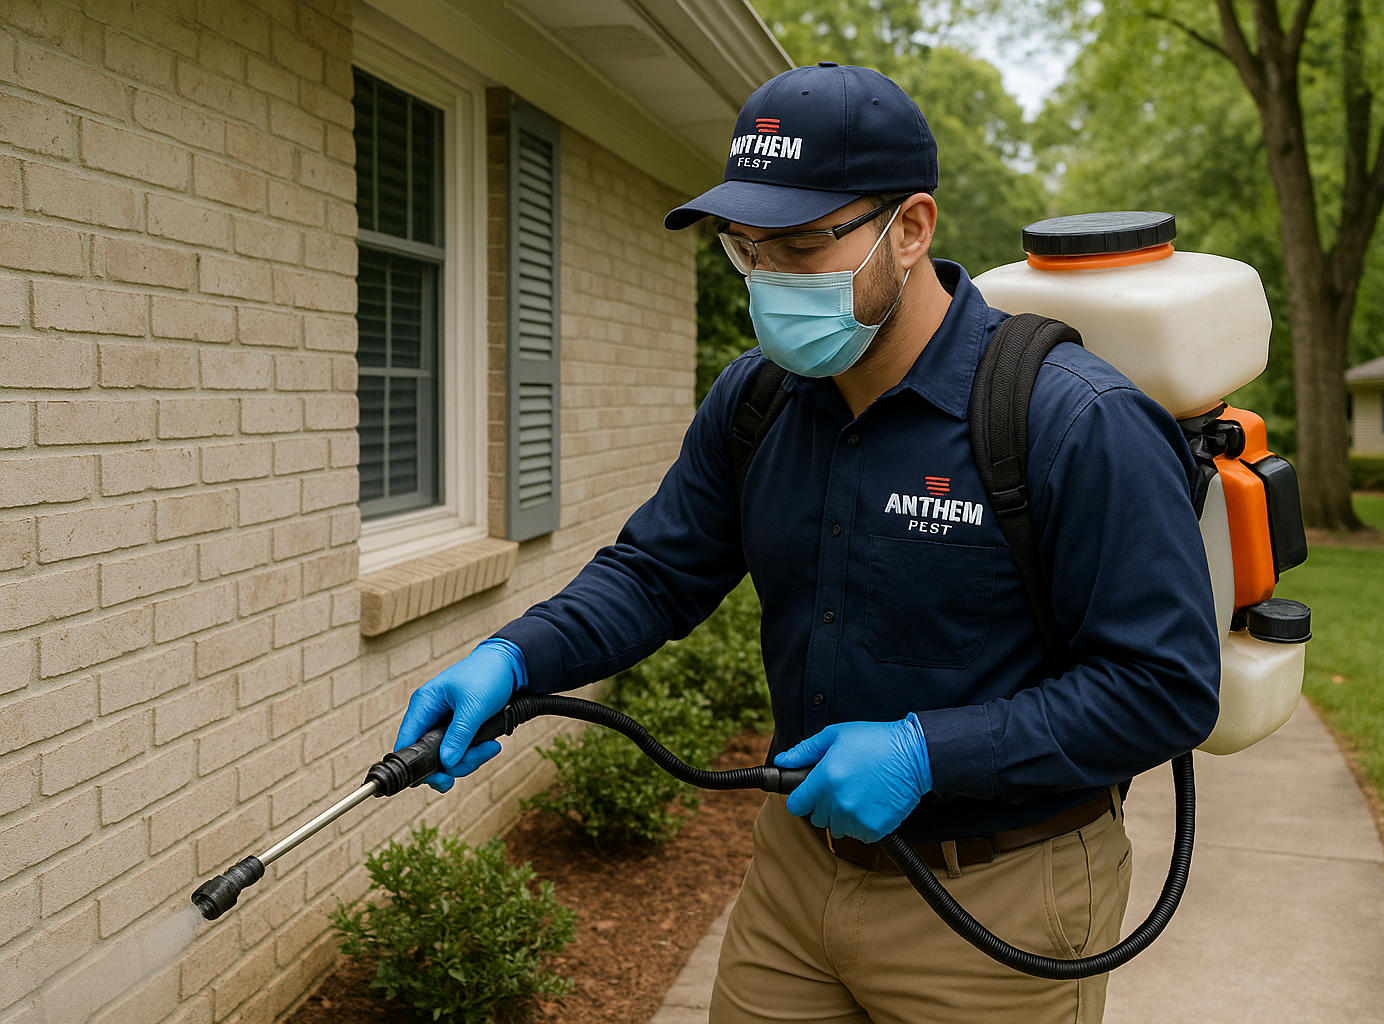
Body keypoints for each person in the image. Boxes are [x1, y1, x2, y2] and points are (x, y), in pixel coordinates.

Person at [395, 63, 1220, 1024]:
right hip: (795, 875)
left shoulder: (1071, 420)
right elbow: (656, 573)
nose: (768, 280)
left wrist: (927, 754)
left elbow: (1163, 686)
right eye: (745, 250)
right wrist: (515, 657)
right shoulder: (756, 401)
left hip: (999, 896)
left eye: (797, 245)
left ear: (910, 229)